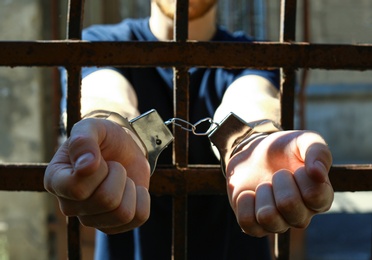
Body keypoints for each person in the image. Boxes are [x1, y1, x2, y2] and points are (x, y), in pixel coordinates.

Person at [44, 0, 334, 259]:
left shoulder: (256, 55)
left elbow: (253, 97)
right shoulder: (102, 42)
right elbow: (103, 92)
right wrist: (110, 123)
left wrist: (250, 139)